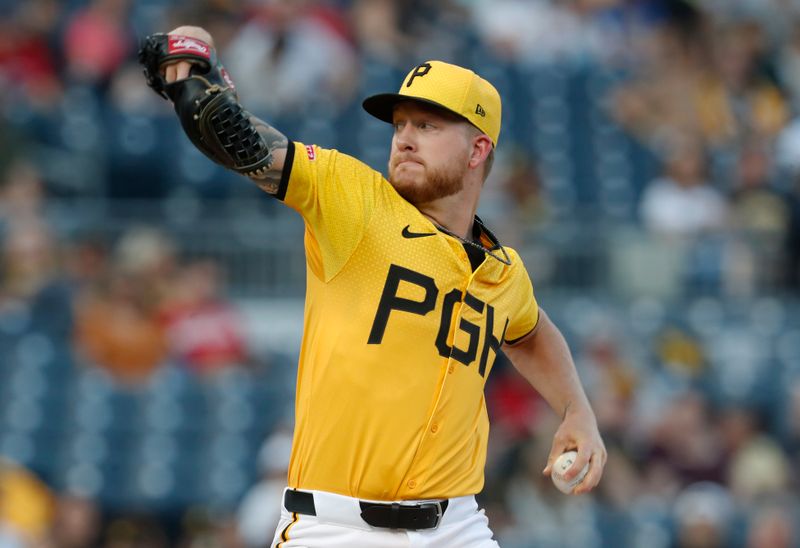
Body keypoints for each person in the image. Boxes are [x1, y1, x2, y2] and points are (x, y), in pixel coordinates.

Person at [140, 25, 606, 547]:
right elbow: (240, 141)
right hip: (337, 527)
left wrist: (576, 409)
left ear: (478, 150)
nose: (404, 136)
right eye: (400, 124)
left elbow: (532, 333)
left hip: (457, 527)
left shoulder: (504, 272)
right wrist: (193, 87)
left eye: (427, 125)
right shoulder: (353, 199)